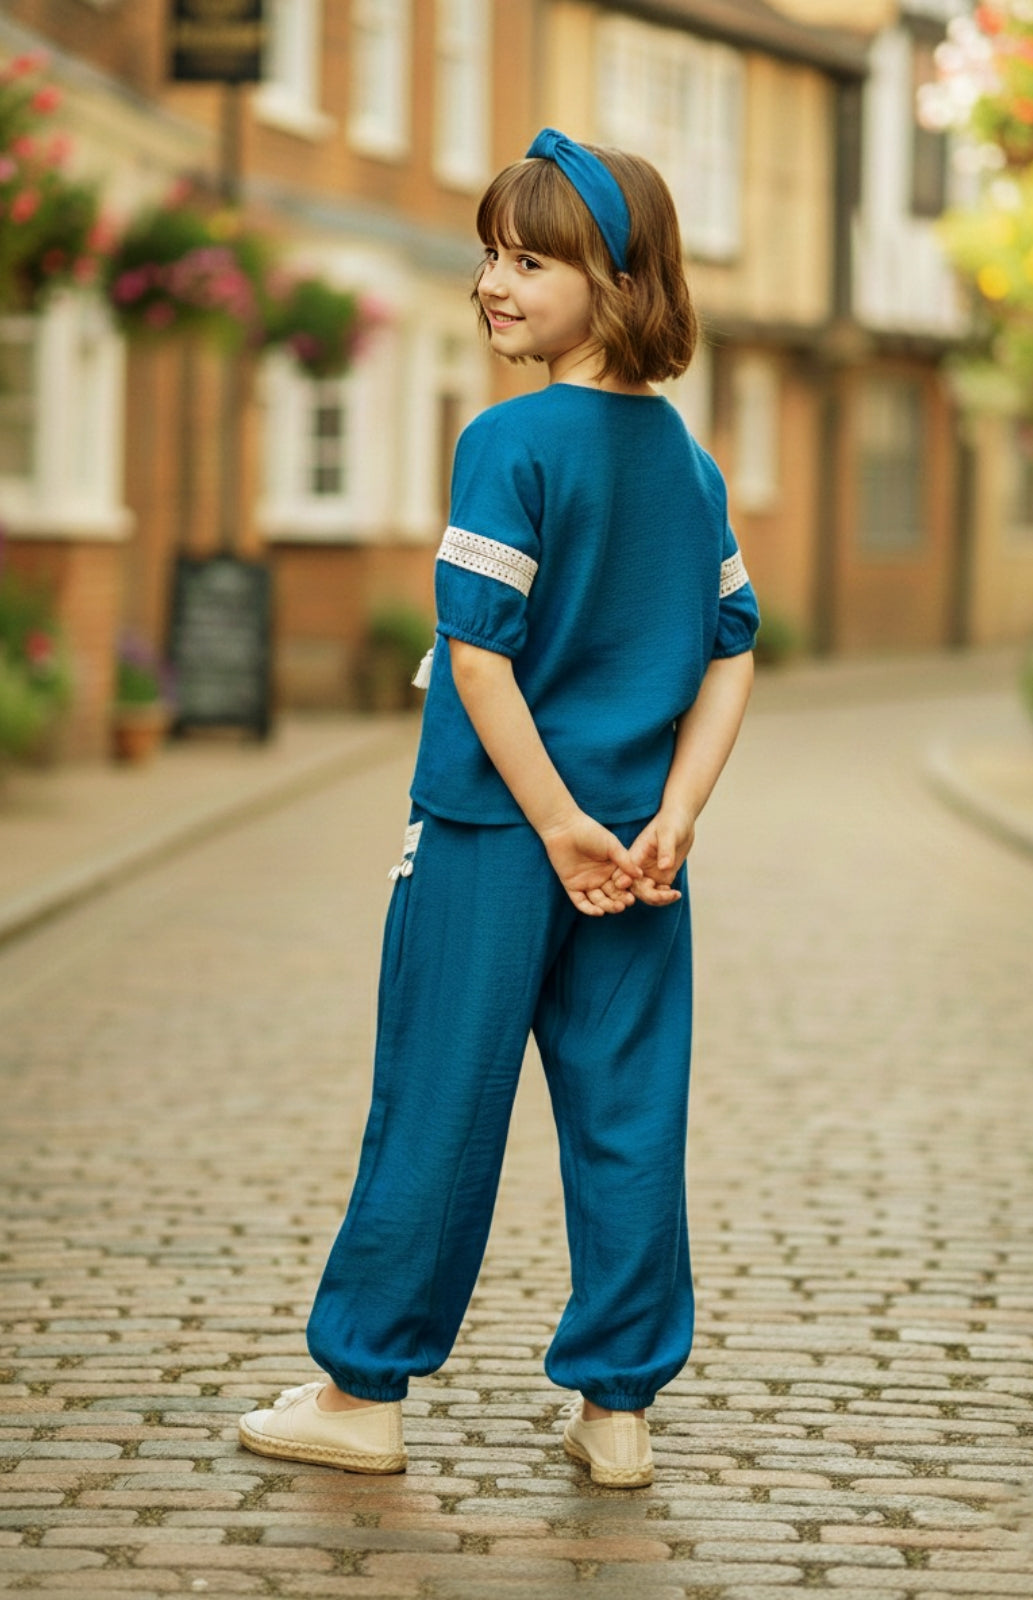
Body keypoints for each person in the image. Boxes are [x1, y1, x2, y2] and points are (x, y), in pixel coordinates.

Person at [239, 128, 759, 1489]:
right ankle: (618, 1409)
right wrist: (676, 812)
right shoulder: (686, 466)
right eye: (488, 253)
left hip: (494, 837)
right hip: (638, 858)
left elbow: (478, 650)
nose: (492, 281)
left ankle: (360, 1392)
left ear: (616, 280)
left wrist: (549, 824)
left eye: (529, 260)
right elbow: (732, 645)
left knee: (439, 1103)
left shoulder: (508, 441)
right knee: (627, 1116)